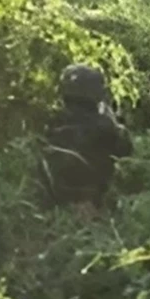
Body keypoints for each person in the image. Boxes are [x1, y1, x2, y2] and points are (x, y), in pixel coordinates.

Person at [41, 63, 134, 210]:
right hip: (97, 201)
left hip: (57, 204)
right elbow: (127, 154)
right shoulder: (105, 126)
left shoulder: (51, 123)